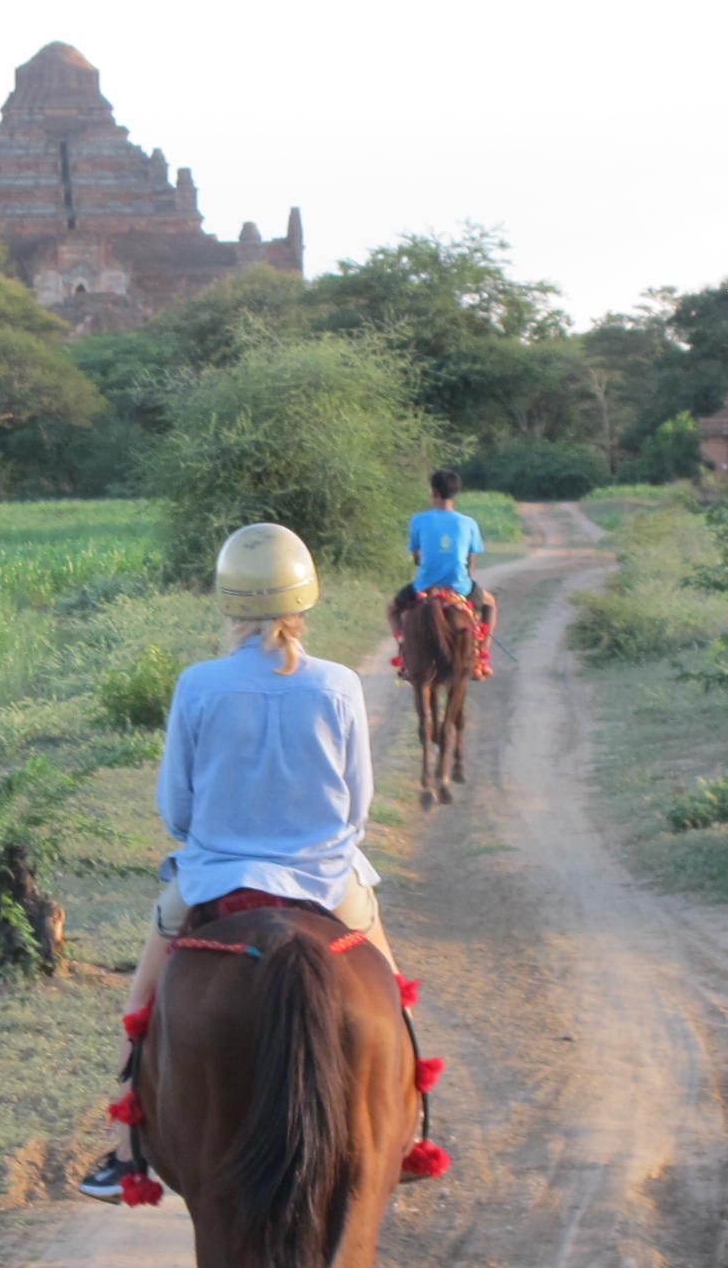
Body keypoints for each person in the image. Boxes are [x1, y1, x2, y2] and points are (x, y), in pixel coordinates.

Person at [78, 522, 397, 1203]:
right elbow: (357, 808)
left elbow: (177, 809)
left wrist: (221, 836)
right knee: (390, 1003)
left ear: (229, 606)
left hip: (215, 879)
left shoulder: (199, 685)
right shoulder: (339, 685)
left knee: (142, 1008)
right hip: (327, 881)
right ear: (304, 604)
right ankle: (407, 1129)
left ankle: (126, 1154)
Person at [388, 468, 496, 667]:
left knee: (392, 608)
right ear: (456, 492)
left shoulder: (418, 520)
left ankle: (405, 649)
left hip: (424, 588)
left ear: (433, 492)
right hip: (460, 588)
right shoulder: (469, 523)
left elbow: (417, 559)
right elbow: (470, 563)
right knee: (490, 603)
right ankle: (482, 654)